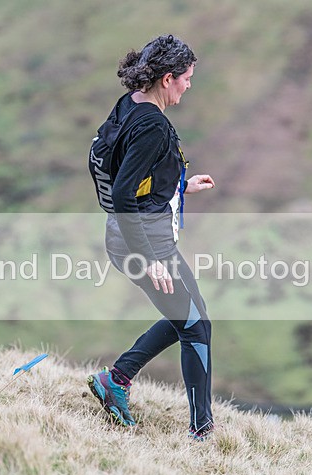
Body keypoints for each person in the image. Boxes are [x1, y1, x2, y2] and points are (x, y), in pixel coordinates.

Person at [86, 34, 217, 441]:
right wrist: (150, 257)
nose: (189, 85)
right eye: (186, 78)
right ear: (166, 78)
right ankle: (201, 433)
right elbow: (124, 192)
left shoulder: (130, 104)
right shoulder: (154, 127)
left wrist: (180, 184)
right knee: (194, 326)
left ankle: (117, 379)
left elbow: (127, 171)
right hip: (142, 242)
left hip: (135, 235)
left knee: (195, 319)